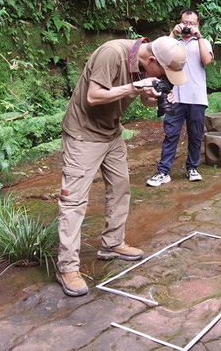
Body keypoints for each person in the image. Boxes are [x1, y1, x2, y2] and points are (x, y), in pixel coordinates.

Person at [56, 36, 187, 297]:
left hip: (112, 132)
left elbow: (143, 98)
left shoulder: (142, 64)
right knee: (74, 201)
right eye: (165, 73)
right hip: (84, 134)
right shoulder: (112, 54)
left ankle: (112, 244)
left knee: (120, 188)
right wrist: (135, 87)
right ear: (152, 61)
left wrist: (156, 94)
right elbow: (94, 97)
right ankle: (67, 267)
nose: (168, 77)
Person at [146, 9, 214, 187]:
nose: (188, 26)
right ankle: (163, 172)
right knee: (171, 135)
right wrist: (173, 33)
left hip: (197, 97)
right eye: (185, 22)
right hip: (174, 95)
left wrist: (198, 37)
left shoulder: (203, 42)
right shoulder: (173, 43)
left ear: (198, 25)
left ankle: (193, 168)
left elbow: (207, 60)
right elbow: (160, 55)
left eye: (192, 23)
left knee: (196, 135)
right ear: (180, 22)